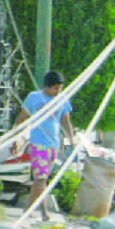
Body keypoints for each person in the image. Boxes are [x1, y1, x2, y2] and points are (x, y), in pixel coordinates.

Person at [15, 71, 75, 221]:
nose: (57, 91)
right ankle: (43, 211)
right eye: (55, 88)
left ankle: (28, 208)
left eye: (60, 88)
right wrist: (17, 138)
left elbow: (66, 121)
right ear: (47, 87)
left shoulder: (62, 100)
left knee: (42, 179)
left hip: (54, 144)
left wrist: (71, 139)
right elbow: (22, 118)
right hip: (38, 143)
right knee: (41, 178)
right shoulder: (34, 98)